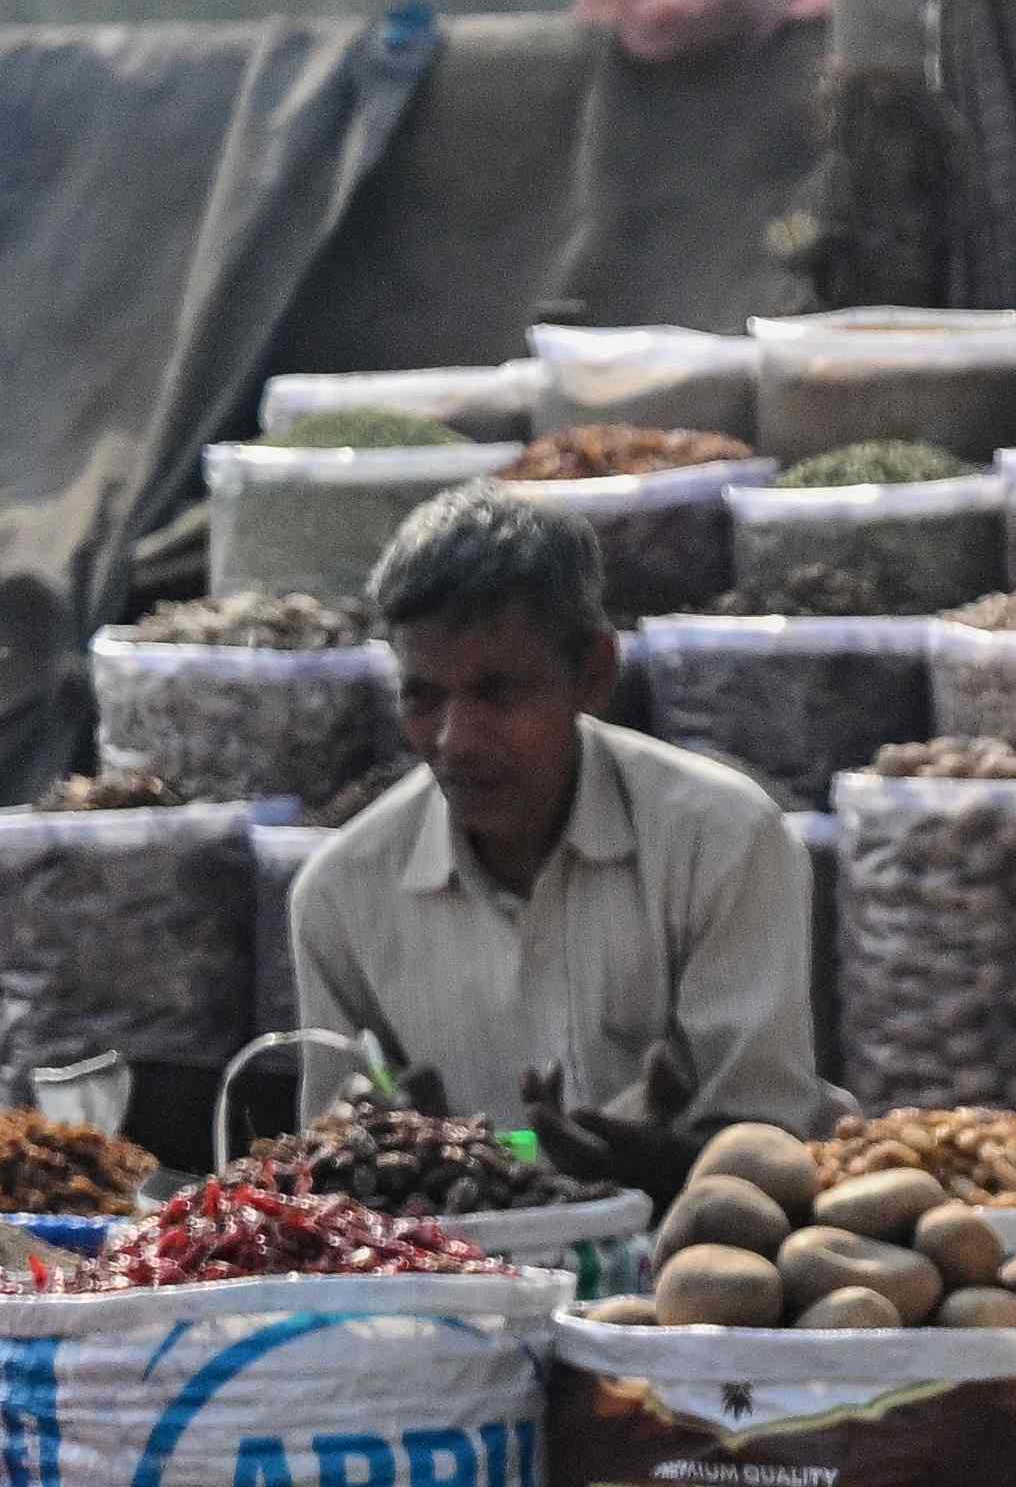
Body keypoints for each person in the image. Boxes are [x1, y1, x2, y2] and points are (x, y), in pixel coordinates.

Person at [284, 486, 821, 1150]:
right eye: (423, 697)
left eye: (499, 693)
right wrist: (399, 1145)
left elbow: (766, 1138)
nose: (455, 740)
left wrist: (632, 1163)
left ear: (594, 675)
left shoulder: (723, 840)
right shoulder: (340, 897)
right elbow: (334, 1169)